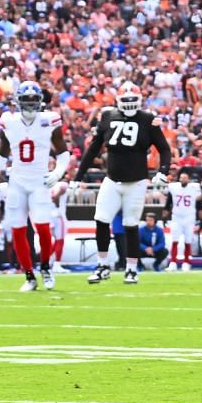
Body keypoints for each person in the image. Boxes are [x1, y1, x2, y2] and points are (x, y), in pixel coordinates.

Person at [76, 81, 174, 285]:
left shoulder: (147, 119)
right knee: (101, 220)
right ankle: (102, 265)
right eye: (126, 100)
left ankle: (131, 269)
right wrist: (78, 176)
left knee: (130, 225)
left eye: (133, 100)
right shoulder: (107, 116)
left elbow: (164, 148)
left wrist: (162, 172)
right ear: (118, 100)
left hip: (136, 182)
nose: (129, 104)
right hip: (112, 179)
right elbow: (93, 148)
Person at [0, 80, 69, 290]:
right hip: (17, 181)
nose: (30, 103)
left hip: (39, 182)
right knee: (18, 230)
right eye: (26, 99)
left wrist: (58, 172)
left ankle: (45, 267)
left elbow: (62, 152)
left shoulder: (49, 120)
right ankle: (29, 276)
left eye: (34, 99)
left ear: (40, 100)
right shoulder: (9, 121)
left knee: (43, 229)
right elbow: (3, 151)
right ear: (18, 100)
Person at [165, 170, 202, 271]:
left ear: (189, 179)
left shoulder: (194, 188)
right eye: (181, 178)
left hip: (189, 217)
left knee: (188, 240)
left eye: (185, 178)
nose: (183, 180)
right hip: (176, 216)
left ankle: (186, 262)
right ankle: (173, 262)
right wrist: (164, 216)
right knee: (175, 240)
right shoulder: (174, 187)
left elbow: (200, 205)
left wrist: (201, 220)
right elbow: (168, 202)